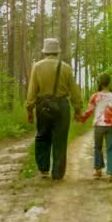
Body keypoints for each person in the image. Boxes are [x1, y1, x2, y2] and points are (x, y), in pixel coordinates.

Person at [27, 38, 83, 180]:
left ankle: (43, 168)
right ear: (58, 52)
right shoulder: (66, 68)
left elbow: (32, 90)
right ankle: (58, 173)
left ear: (45, 51)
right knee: (60, 139)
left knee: (42, 136)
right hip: (62, 106)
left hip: (43, 106)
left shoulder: (37, 67)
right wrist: (77, 108)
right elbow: (74, 90)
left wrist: (30, 109)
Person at [76, 72, 112, 181]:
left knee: (97, 148)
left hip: (99, 126)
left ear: (99, 83)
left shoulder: (95, 96)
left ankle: (98, 171)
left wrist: (81, 118)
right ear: (109, 83)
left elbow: (89, 111)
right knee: (110, 149)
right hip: (111, 126)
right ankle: (111, 173)